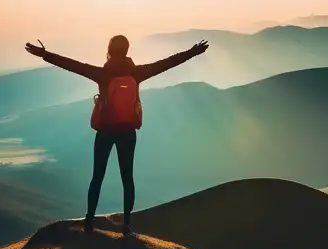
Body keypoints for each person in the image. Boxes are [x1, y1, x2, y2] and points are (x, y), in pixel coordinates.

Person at [25, 34, 208, 235]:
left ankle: (88, 222)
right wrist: (192, 52)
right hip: (128, 131)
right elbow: (166, 64)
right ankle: (127, 225)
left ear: (110, 50)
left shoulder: (103, 74)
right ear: (127, 50)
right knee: (127, 177)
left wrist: (45, 55)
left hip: (105, 131)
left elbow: (73, 65)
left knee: (97, 176)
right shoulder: (137, 73)